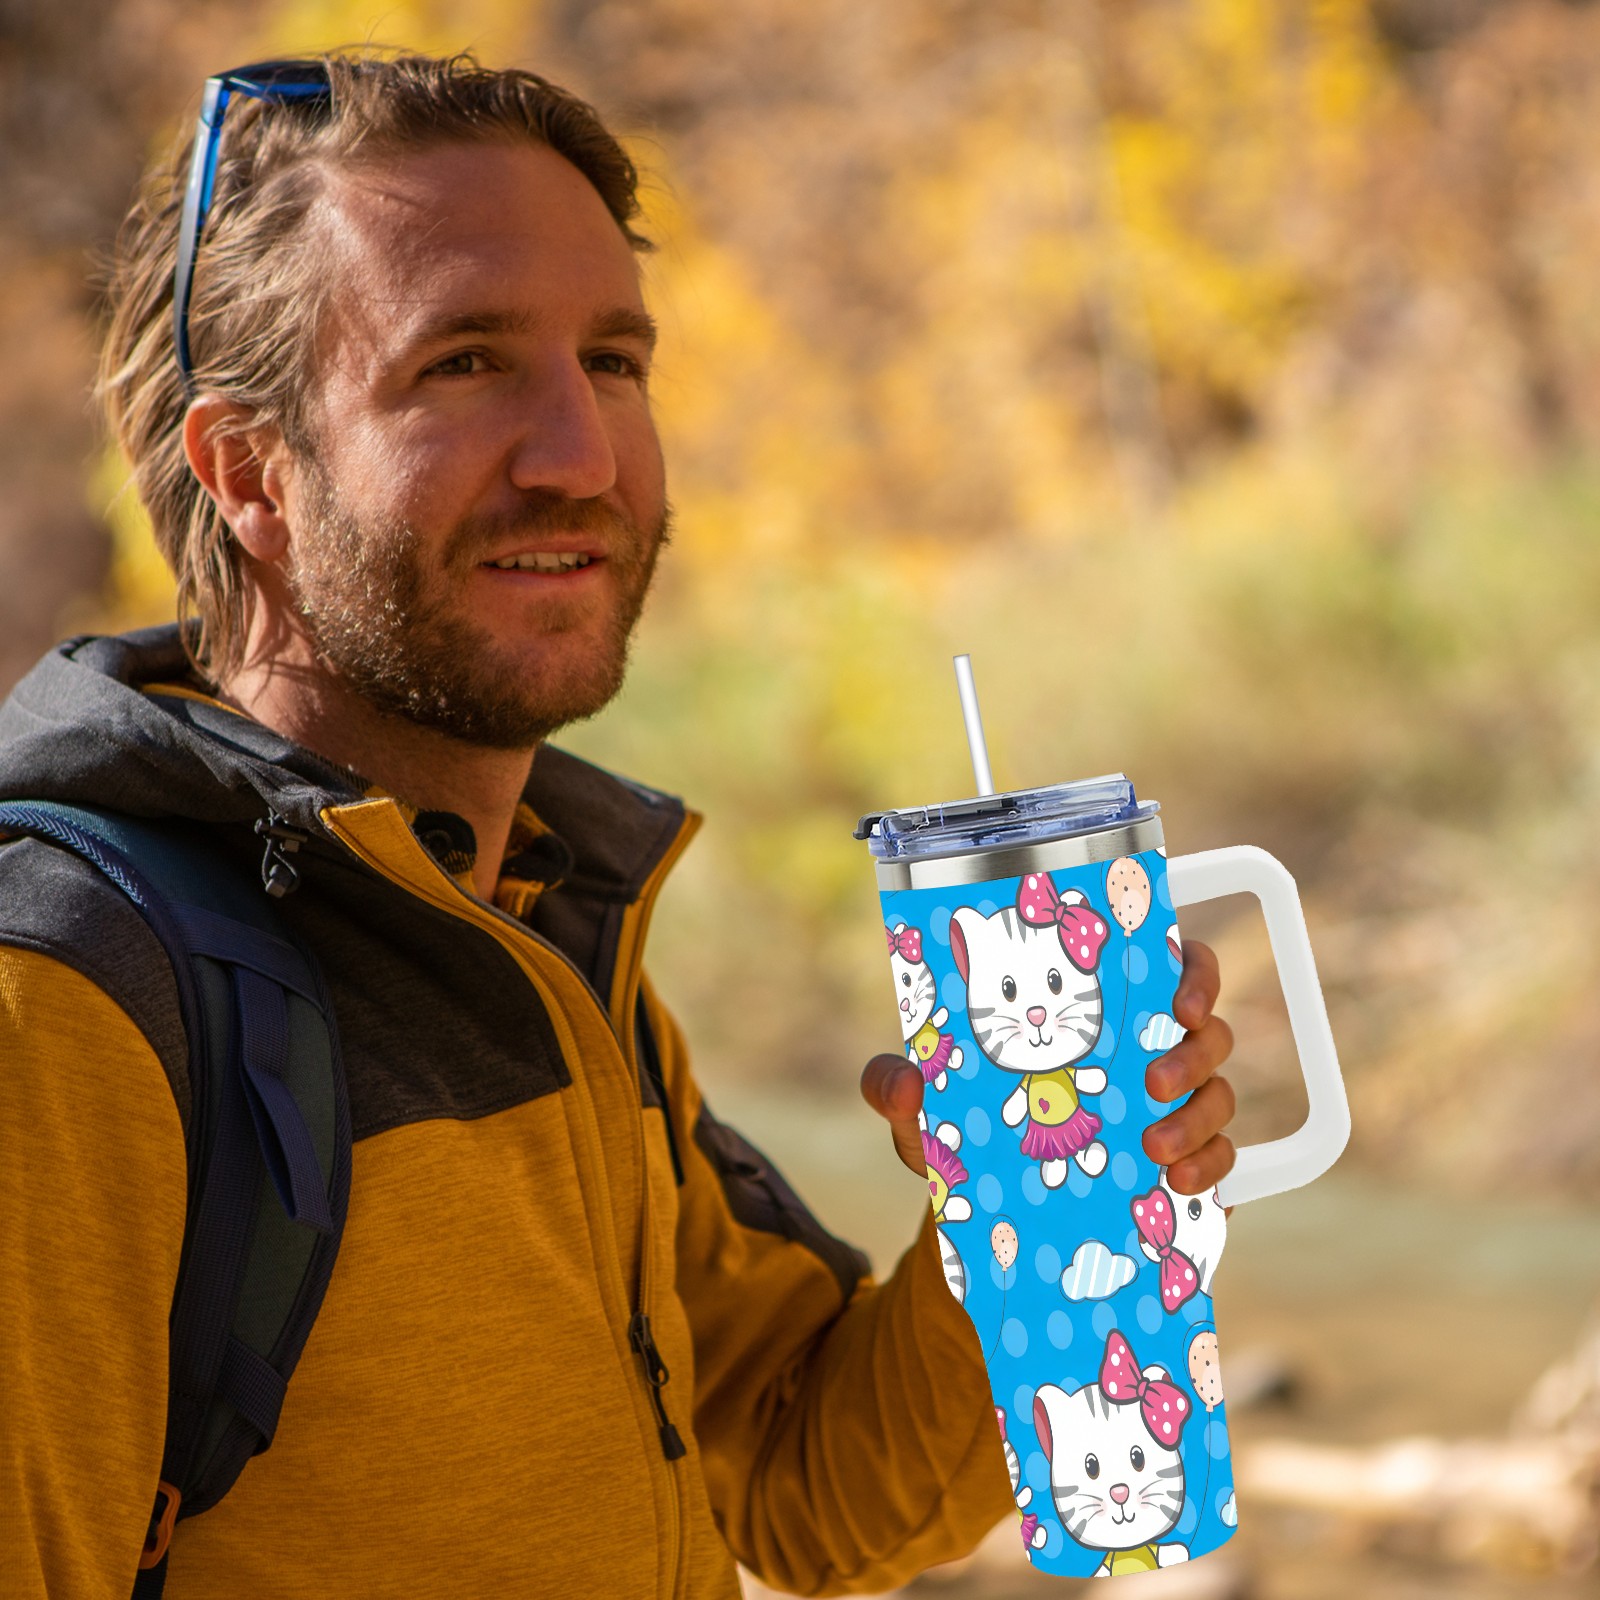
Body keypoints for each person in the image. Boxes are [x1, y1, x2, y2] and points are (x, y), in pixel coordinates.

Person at [0, 51, 1238, 1598]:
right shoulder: (70, 997)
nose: (580, 455)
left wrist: (1031, 1207)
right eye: (463, 363)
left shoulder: (541, 924)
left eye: (614, 360)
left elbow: (805, 1486)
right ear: (250, 473)